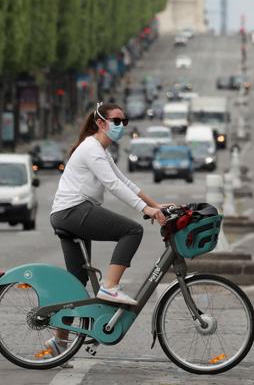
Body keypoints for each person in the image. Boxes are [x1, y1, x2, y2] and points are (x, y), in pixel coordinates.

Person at [45, 102, 169, 355]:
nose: (121, 126)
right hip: (73, 211)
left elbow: (125, 181)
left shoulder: (101, 150)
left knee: (76, 283)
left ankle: (59, 342)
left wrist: (156, 205)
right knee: (132, 231)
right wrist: (143, 209)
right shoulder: (91, 148)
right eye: (116, 121)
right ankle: (109, 286)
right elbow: (112, 184)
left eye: (124, 121)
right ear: (100, 123)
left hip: (68, 213)